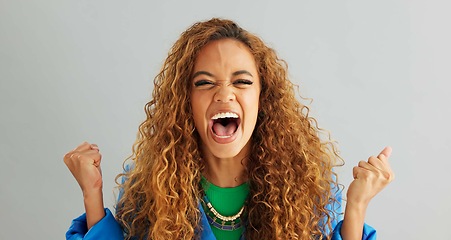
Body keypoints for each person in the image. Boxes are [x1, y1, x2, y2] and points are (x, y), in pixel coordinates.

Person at [64, 18, 394, 240]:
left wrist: (356, 207)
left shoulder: (310, 191)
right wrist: (92, 193)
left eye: (242, 81)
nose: (224, 93)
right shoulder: (147, 188)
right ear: (185, 101)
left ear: (263, 98)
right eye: (205, 82)